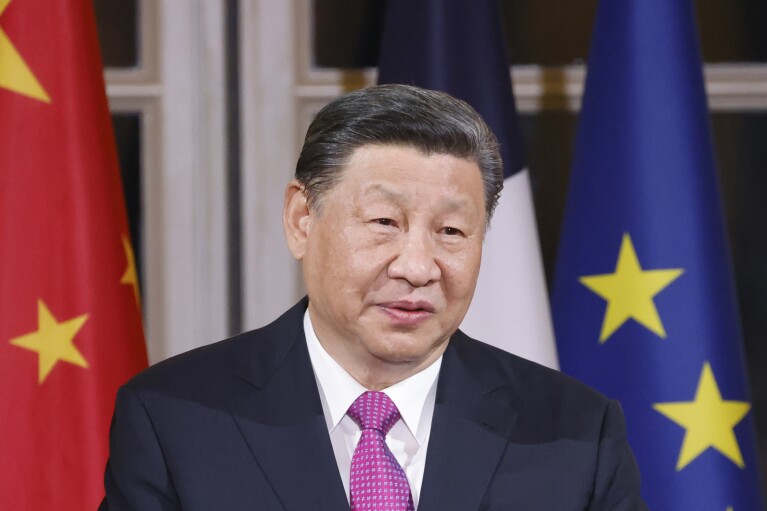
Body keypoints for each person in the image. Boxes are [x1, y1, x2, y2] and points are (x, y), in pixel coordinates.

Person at [100, 84, 647, 510]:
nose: (417, 267)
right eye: (384, 222)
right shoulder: (175, 420)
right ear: (301, 220)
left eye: (452, 232)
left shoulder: (574, 432)